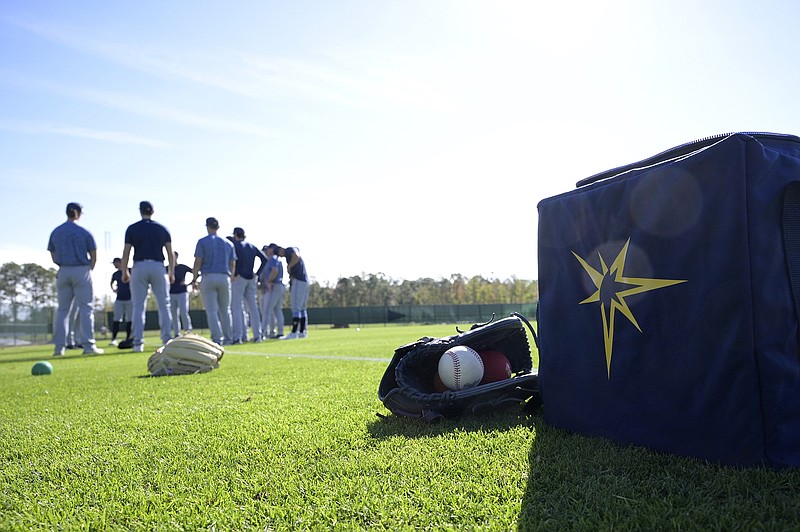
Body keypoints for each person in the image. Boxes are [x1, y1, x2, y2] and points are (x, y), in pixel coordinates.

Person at [47, 202, 104, 356]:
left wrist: (61, 263)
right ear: (78, 213)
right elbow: (93, 254)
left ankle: (59, 348)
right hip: (81, 270)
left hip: (64, 270)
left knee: (63, 311)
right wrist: (89, 267)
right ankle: (88, 346)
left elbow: (52, 254)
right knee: (86, 308)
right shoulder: (84, 232)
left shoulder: (57, 231)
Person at [120, 201, 175, 353]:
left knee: (138, 306)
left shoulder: (132, 228)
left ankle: (138, 343)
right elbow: (170, 253)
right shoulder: (162, 228)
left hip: (139, 266)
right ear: (153, 211)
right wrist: (171, 272)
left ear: (140, 211)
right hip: (158, 266)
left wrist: (124, 271)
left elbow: (126, 252)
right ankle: (166, 340)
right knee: (164, 305)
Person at [191, 217, 237, 345]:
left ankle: (217, 338)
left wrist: (194, 278)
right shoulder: (228, 243)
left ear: (207, 226)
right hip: (224, 277)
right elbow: (232, 263)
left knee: (211, 310)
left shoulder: (202, 242)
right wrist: (231, 276)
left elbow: (198, 261)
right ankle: (228, 338)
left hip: (208, 276)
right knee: (225, 310)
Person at [230, 227, 266, 343]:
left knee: (236, 307)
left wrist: (234, 274)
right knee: (253, 307)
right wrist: (257, 273)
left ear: (235, 235)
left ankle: (238, 336)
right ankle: (258, 335)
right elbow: (264, 259)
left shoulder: (234, 245)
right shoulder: (252, 246)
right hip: (251, 278)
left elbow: (233, 261)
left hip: (239, 277)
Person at [274, 245, 308, 339]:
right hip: (303, 281)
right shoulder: (290, 252)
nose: (280, 256)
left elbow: (296, 256)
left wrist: (289, 266)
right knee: (302, 308)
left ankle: (294, 332)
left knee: (296, 307)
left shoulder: (289, 250)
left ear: (280, 250)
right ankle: (302, 331)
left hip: (299, 281)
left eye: (279, 253)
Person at [260, 244, 285, 339]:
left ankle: (262, 333)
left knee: (267, 310)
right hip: (278, 286)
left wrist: (269, 281)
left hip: (274, 286)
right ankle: (280, 332)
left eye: (270, 249)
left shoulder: (273, 259)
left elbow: (274, 271)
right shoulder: (275, 259)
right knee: (277, 310)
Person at [169, 251, 194, 338]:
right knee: (174, 314)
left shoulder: (182, 267)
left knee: (184, 312)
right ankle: (177, 333)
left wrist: (190, 283)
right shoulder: (167, 268)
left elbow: (195, 272)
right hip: (171, 293)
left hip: (182, 292)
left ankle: (188, 331)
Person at [109, 257, 132, 346]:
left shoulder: (130, 270)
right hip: (119, 299)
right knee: (117, 319)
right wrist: (113, 289)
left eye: (115, 263)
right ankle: (113, 339)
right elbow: (111, 282)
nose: (114, 265)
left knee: (129, 319)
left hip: (130, 298)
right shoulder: (115, 274)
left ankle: (128, 338)